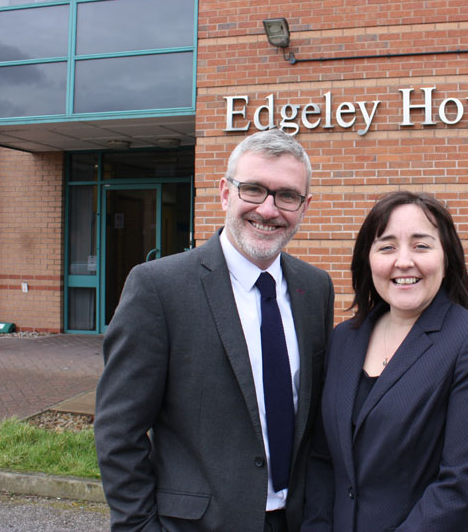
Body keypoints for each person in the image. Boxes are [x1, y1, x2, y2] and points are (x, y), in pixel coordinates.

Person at [95, 128, 335, 532]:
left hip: (296, 520)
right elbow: (119, 431)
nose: (269, 209)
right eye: (253, 189)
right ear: (225, 193)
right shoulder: (158, 287)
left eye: (287, 195)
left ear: (304, 206)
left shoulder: (315, 288)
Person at [302, 191, 468, 532]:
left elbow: (463, 486)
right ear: (367, 260)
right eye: (387, 247)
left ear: (447, 259)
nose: (403, 261)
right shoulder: (343, 340)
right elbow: (322, 459)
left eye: (421, 246)